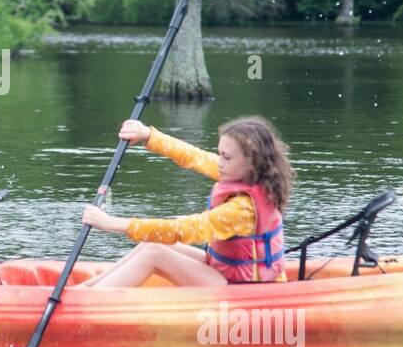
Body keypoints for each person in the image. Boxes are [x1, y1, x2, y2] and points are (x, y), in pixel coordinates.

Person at [79, 116, 294, 287]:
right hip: (227, 271)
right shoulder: (243, 174)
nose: (220, 162)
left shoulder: (243, 210)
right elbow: (193, 156)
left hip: (245, 288)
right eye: (220, 155)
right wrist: (147, 135)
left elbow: (181, 230)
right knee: (153, 243)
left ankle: (84, 302)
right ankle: (85, 290)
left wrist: (112, 223)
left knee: (155, 253)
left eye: (226, 157)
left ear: (252, 162)